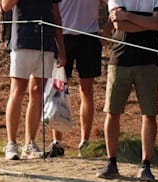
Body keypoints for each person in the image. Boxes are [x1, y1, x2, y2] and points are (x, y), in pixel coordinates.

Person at [96, 0, 158, 182]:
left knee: (149, 114)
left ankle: (146, 165)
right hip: (120, 61)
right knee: (112, 112)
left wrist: (128, 16)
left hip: (148, 62)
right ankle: (111, 163)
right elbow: (119, 25)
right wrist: (148, 22)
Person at [2, 0, 66, 161]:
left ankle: (30, 144)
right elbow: (5, 5)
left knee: (37, 92)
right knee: (17, 91)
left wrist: (61, 48)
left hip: (46, 43)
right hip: (22, 41)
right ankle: (11, 144)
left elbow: (56, 15)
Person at [46, 0, 110, 158]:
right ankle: (57, 142)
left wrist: (107, 31)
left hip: (89, 38)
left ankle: (85, 142)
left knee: (87, 90)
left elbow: (115, 5)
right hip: (62, 37)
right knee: (59, 89)